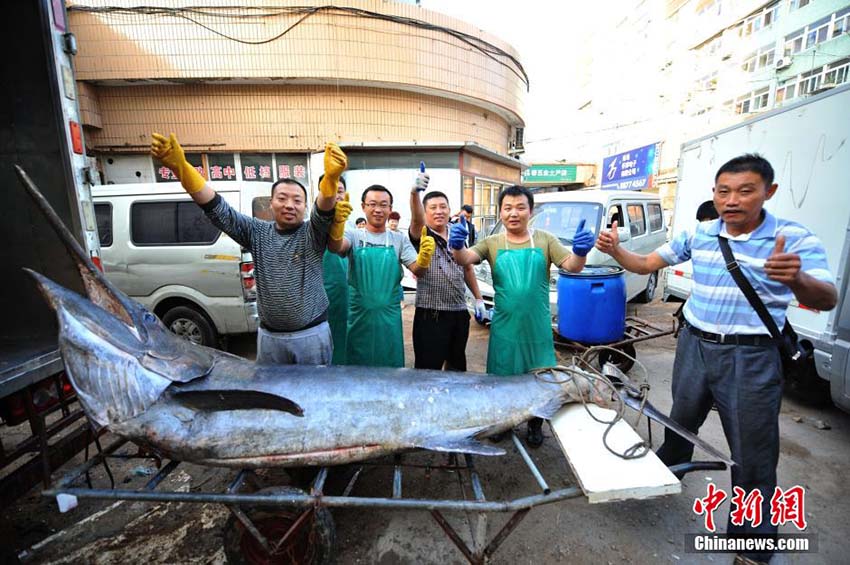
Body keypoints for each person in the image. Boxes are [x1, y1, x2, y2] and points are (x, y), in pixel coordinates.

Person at [595, 154, 837, 564]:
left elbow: (827, 297)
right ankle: (667, 472)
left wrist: (795, 277)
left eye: (746, 191)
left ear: (768, 192)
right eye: (724, 191)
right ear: (714, 194)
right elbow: (645, 263)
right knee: (680, 420)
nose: (733, 200)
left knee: (753, 453)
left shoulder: (794, 238)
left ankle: (751, 545)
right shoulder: (701, 233)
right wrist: (616, 251)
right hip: (694, 345)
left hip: (751, 356)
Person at [150, 133, 347, 365]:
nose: (290, 205)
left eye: (297, 200)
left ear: (305, 207)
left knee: (315, 395)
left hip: (311, 335)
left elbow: (324, 211)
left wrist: (332, 179)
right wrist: (181, 167)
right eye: (282, 198)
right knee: (272, 397)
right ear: (270, 203)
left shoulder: (312, 232)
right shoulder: (256, 232)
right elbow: (218, 210)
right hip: (270, 337)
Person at [450, 185, 595, 447]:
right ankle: (503, 423)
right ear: (500, 213)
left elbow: (572, 266)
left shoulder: (545, 240)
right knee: (503, 378)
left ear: (530, 211)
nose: (513, 213)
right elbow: (464, 259)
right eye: (507, 208)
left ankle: (535, 424)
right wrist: (457, 245)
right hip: (505, 326)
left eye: (520, 207)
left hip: (537, 326)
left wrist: (581, 252)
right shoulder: (492, 243)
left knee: (539, 377)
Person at [327, 184, 435, 367]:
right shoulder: (353, 235)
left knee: (389, 366)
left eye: (383, 205)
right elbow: (336, 246)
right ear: (363, 207)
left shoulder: (398, 239)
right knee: (357, 367)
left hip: (389, 318)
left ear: (390, 209)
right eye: (372, 204)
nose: (378, 209)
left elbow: (417, 270)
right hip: (359, 316)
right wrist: (336, 224)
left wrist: (424, 259)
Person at [408, 167, 486, 371]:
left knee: (457, 366)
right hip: (430, 314)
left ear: (450, 210)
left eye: (443, 206)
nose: (439, 211)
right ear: (425, 212)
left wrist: (478, 299)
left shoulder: (456, 233)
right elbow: (416, 220)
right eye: (432, 207)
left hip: (458, 312)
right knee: (428, 369)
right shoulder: (421, 233)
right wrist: (414, 193)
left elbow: (467, 268)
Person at [321, 174, 353, 365]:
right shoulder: (313, 227)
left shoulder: (352, 228)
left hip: (348, 295)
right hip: (322, 296)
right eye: (330, 191)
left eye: (339, 191)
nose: (336, 195)